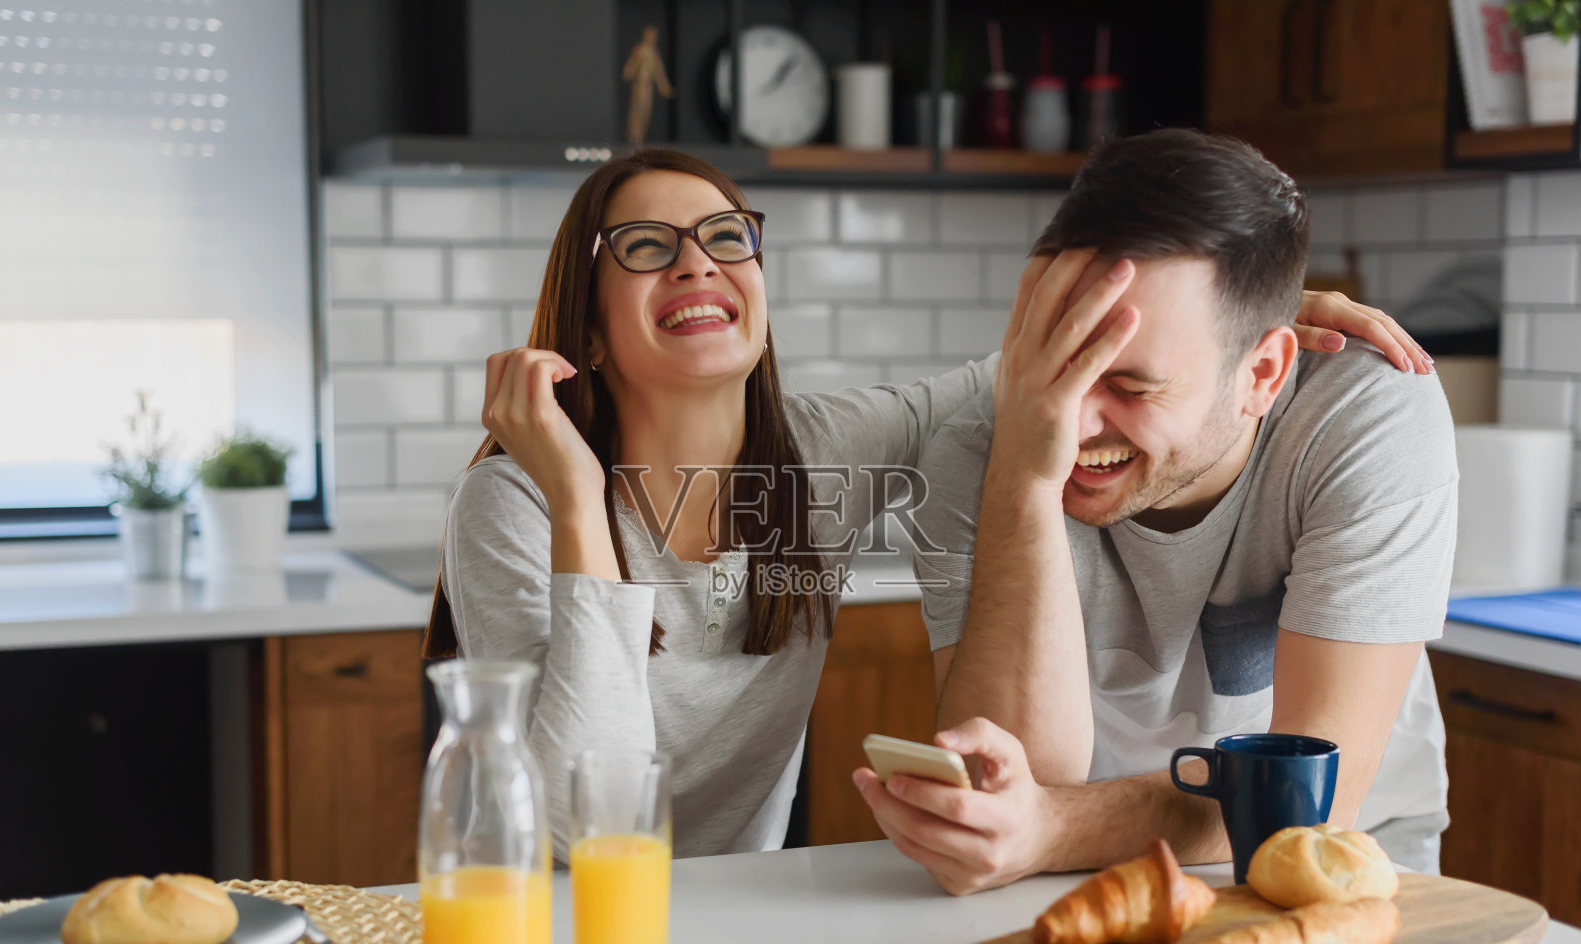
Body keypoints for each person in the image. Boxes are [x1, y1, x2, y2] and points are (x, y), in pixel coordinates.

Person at [420, 145, 1434, 861]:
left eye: (725, 236)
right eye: (643, 247)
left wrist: (1252, 316)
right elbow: (580, 830)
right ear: (587, 328)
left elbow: (1035, 378)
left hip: (733, 906)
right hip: (546, 912)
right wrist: (574, 502)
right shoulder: (516, 503)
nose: (697, 261)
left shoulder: (809, 469)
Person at [854, 129, 1457, 893]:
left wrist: (1052, 825)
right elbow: (1012, 780)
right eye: (1058, 357)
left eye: (1131, 387)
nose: (1071, 422)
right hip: (1071, 882)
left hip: (1345, 876)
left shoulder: (1365, 416)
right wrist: (1022, 475)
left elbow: (1304, 804)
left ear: (1262, 374)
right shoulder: (988, 446)